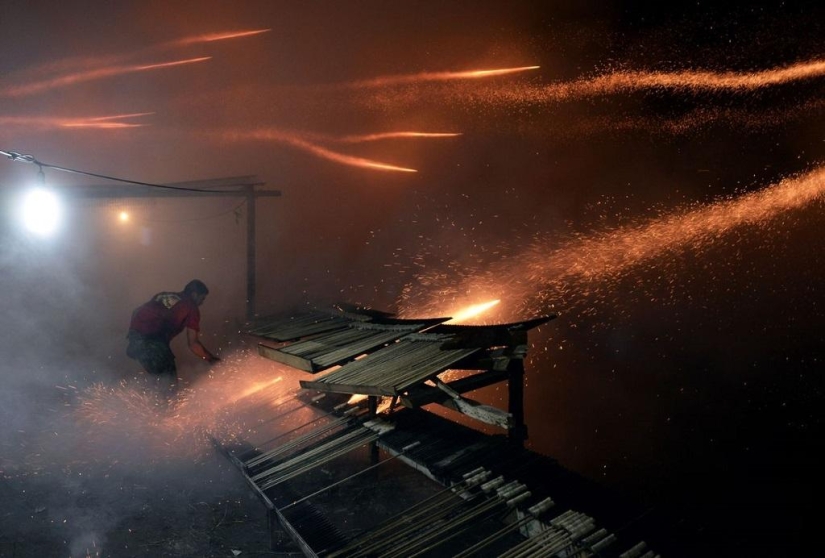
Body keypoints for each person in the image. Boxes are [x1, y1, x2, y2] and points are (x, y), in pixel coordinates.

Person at [126, 279, 220, 402]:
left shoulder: (163, 295)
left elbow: (136, 311)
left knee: (159, 383)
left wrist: (134, 336)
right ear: (194, 294)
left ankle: (146, 408)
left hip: (135, 342)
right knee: (169, 389)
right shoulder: (191, 306)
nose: (202, 303)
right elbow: (193, 344)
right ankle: (163, 411)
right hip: (154, 345)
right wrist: (211, 359)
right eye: (202, 298)